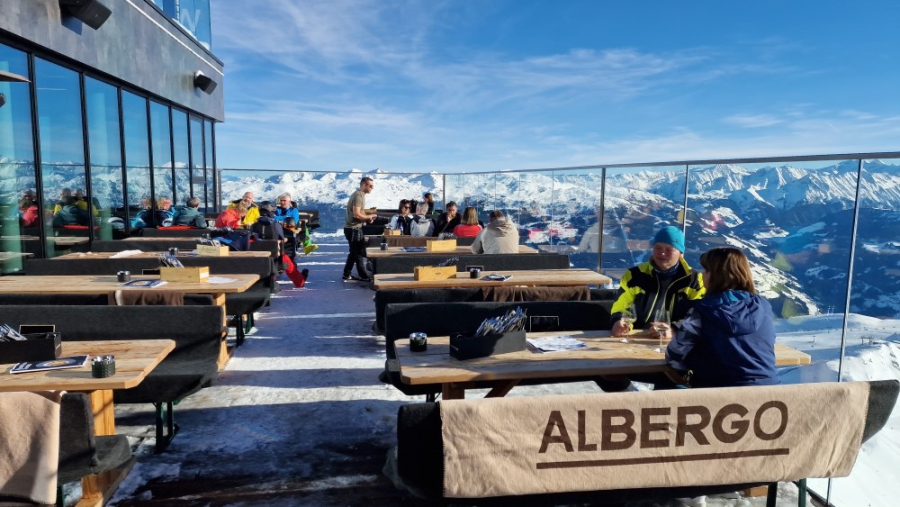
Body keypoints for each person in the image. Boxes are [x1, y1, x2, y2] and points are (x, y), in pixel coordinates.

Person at [666, 247, 778, 388]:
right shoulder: (763, 306)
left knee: (667, 389)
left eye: (706, 270)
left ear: (715, 275)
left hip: (718, 396)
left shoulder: (702, 310)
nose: (702, 275)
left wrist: (698, 360)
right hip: (769, 392)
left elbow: (674, 356)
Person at [610, 226, 705, 337]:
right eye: (658, 248)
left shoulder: (694, 280)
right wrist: (618, 322)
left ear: (681, 253)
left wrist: (674, 329)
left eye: (669, 250)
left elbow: (699, 315)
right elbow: (621, 305)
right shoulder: (634, 275)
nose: (662, 253)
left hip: (678, 340)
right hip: (636, 336)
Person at [342, 176, 377, 282]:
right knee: (358, 253)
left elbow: (359, 213)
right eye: (370, 186)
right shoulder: (358, 196)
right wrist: (369, 217)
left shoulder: (360, 195)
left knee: (353, 252)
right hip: (354, 229)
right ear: (364, 185)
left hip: (353, 228)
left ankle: (346, 274)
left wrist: (367, 218)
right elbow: (357, 214)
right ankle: (362, 275)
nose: (372, 188)